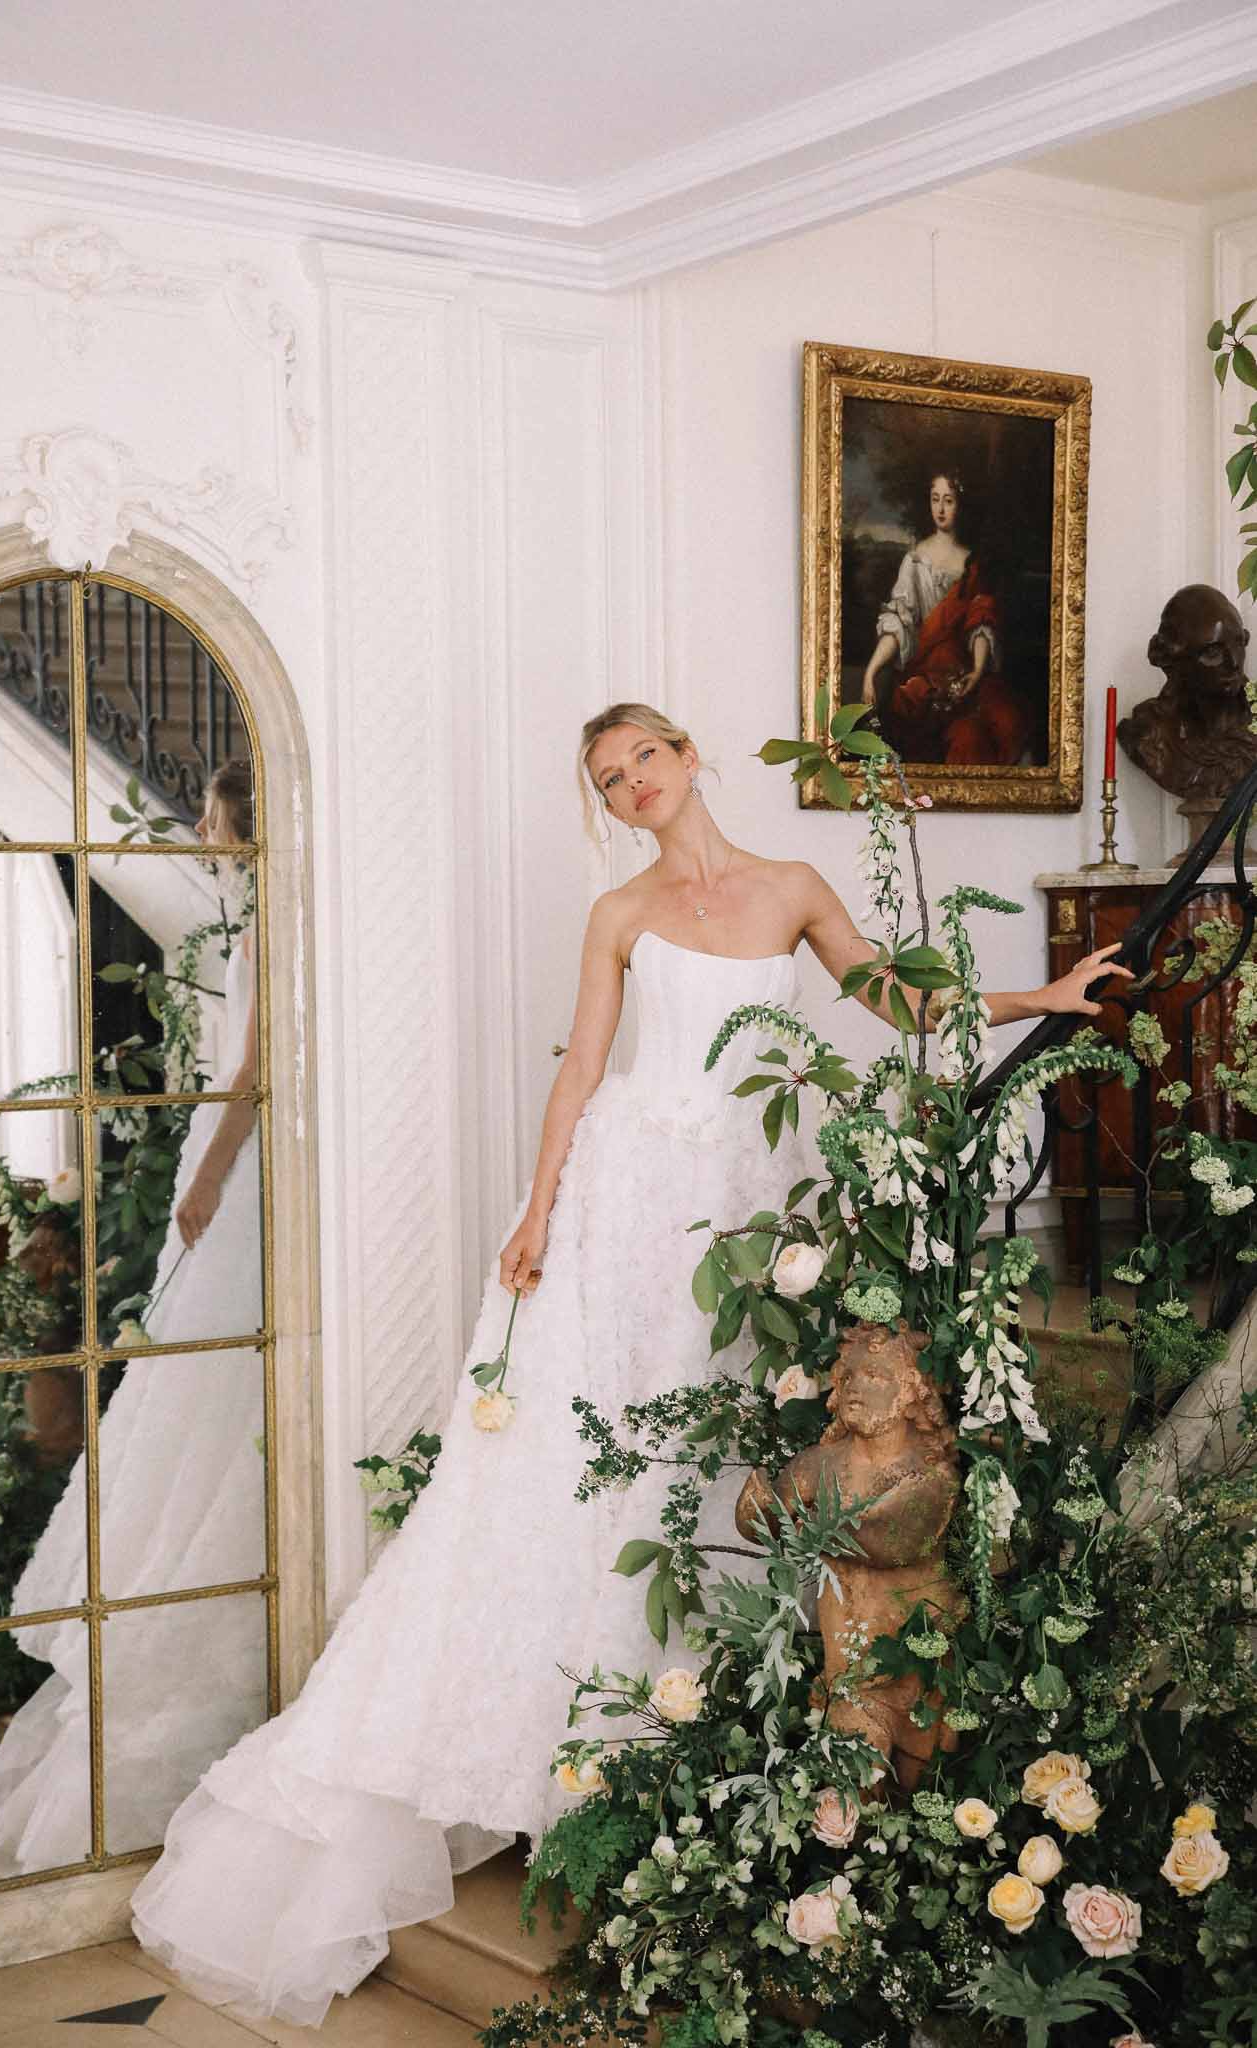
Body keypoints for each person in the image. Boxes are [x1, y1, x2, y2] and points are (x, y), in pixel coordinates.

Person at [128, 705, 1126, 2027]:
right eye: (609, 779)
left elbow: (890, 993)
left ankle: (692, 1734)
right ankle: (588, 1760)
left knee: (719, 1454)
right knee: (597, 1466)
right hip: (627, 1199)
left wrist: (1036, 1001)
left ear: (689, 755)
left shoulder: (792, 885)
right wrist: (539, 1212)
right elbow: (583, 1072)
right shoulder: (618, 912)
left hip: (753, 1210)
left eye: (645, 757)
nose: (633, 783)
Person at [0, 759, 266, 1875]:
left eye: (213, 820)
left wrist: (212, 1173)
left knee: (217, 1390)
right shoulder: (255, 917)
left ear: (244, 826)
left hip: (238, 1170)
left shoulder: (273, 919)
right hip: (227, 1165)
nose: (203, 836)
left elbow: (256, 1069)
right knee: (197, 1388)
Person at [861, 470, 1027, 767]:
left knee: (1003, 723)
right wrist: (871, 671)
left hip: (965, 673)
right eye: (935, 499)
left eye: (948, 501)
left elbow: (981, 618)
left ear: (959, 505)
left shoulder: (972, 563)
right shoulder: (915, 561)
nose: (940, 508)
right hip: (924, 672)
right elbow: (898, 621)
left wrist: (977, 670)